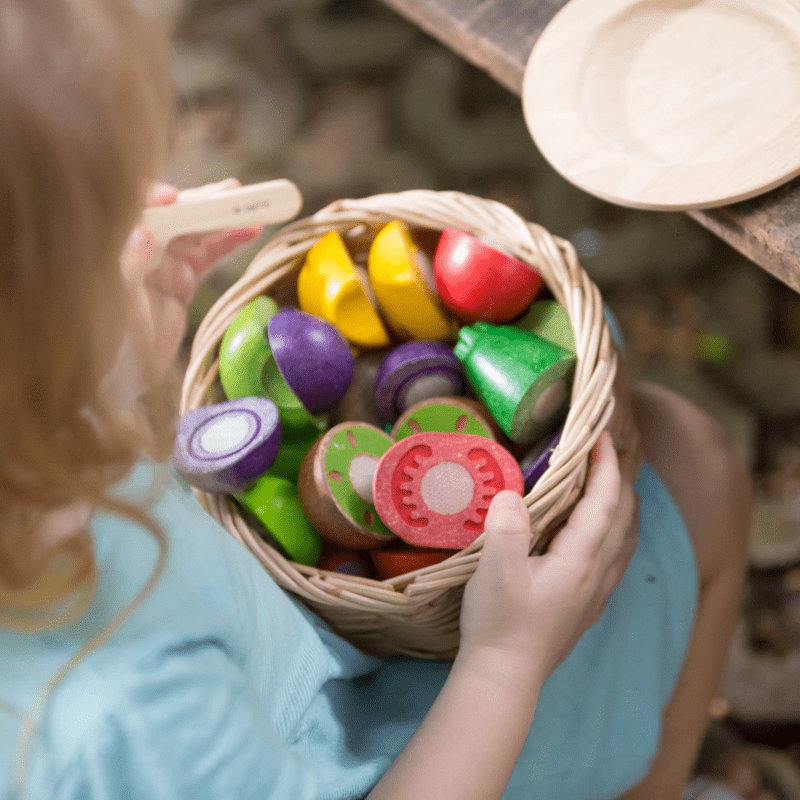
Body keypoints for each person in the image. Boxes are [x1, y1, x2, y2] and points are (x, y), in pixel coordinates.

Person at [0, 1, 751, 798]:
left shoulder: (29, 440)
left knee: (647, 421)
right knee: (699, 467)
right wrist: (507, 662)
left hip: (305, 657)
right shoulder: (136, 717)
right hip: (389, 761)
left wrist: (117, 356)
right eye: (107, 223)